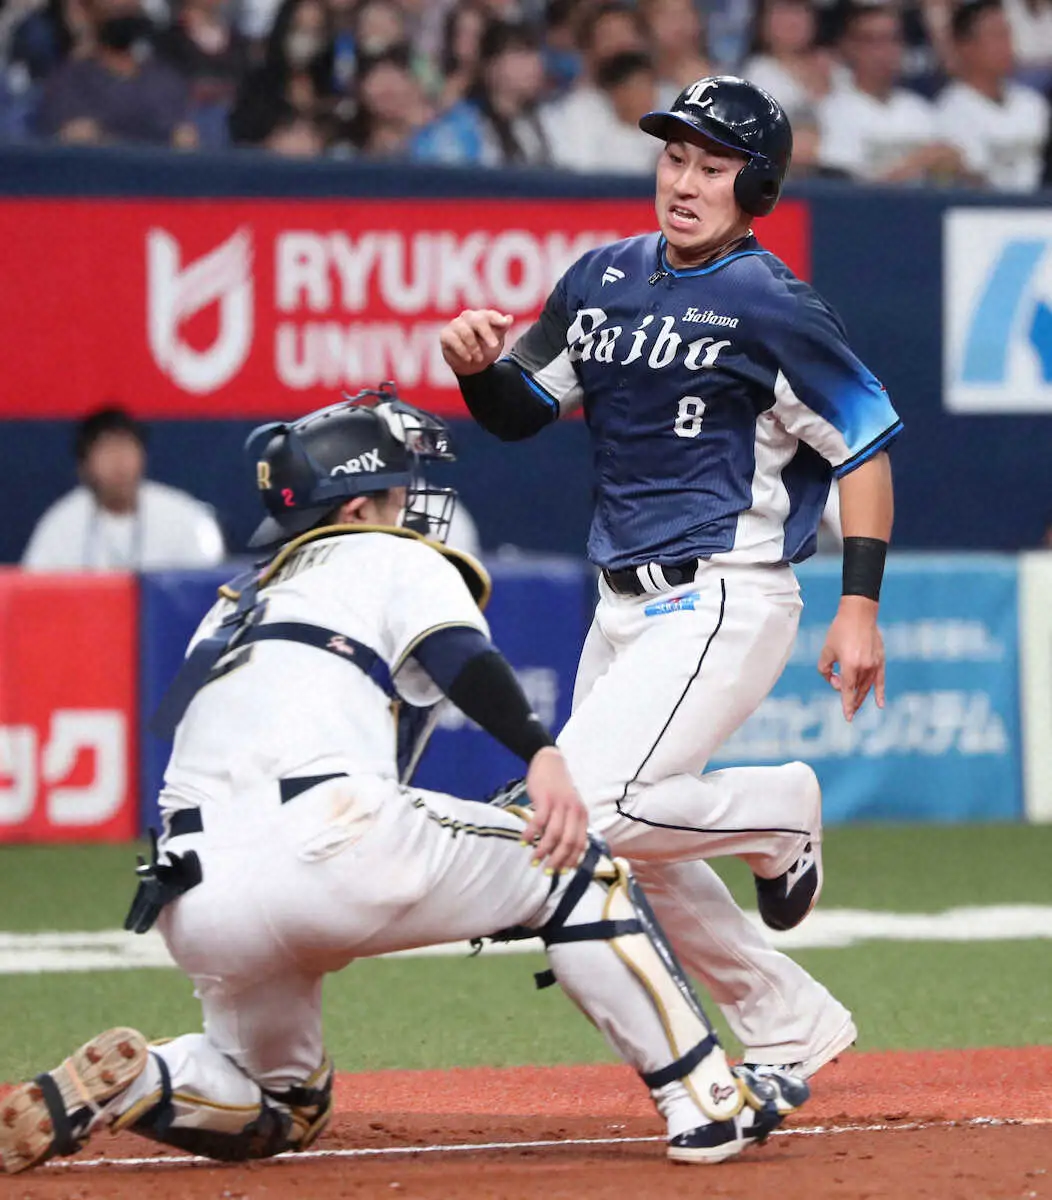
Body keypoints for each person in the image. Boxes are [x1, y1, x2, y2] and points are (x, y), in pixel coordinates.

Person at [0, 386, 808, 1175]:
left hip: (195, 892)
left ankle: (144, 1081)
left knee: (284, 1104)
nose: (409, 504)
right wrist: (540, 754)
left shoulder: (233, 601)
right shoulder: (388, 552)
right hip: (327, 840)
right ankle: (709, 1100)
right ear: (355, 509)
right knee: (576, 865)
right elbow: (459, 657)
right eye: (394, 490)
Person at [440, 75, 904, 1077]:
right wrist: (477, 369)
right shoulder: (600, 278)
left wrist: (859, 605)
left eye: (714, 165)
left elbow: (864, 448)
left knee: (585, 811)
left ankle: (780, 811)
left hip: (725, 588)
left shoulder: (772, 304)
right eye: (674, 157)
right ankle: (786, 1019)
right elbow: (520, 410)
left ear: (759, 186)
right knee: (616, 841)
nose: (684, 181)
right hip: (618, 604)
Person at [22, 406, 225, 571]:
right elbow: (35, 590)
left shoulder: (182, 516)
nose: (118, 462)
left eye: (126, 447)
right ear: (84, 465)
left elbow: (210, 586)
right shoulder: (62, 524)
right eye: (107, 450)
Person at [816, 2, 965, 182]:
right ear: (849, 47)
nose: (884, 51)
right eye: (872, 41)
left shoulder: (920, 110)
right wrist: (917, 163)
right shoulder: (833, 111)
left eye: (893, 39)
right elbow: (846, 190)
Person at [32, 0, 198, 146]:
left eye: (129, 6)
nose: (123, 7)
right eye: (114, 6)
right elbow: (69, 138)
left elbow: (182, 136)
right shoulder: (70, 80)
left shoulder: (164, 80)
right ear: (88, 12)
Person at [935, 0, 1050, 191]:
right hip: (983, 207)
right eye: (996, 35)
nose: (1007, 44)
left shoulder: (1033, 104)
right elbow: (972, 181)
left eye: (1008, 34)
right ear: (966, 46)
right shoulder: (950, 111)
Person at [411, 19, 550, 166]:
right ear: (490, 66)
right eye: (521, 54)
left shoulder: (542, 121)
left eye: (536, 54)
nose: (535, 64)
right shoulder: (461, 126)